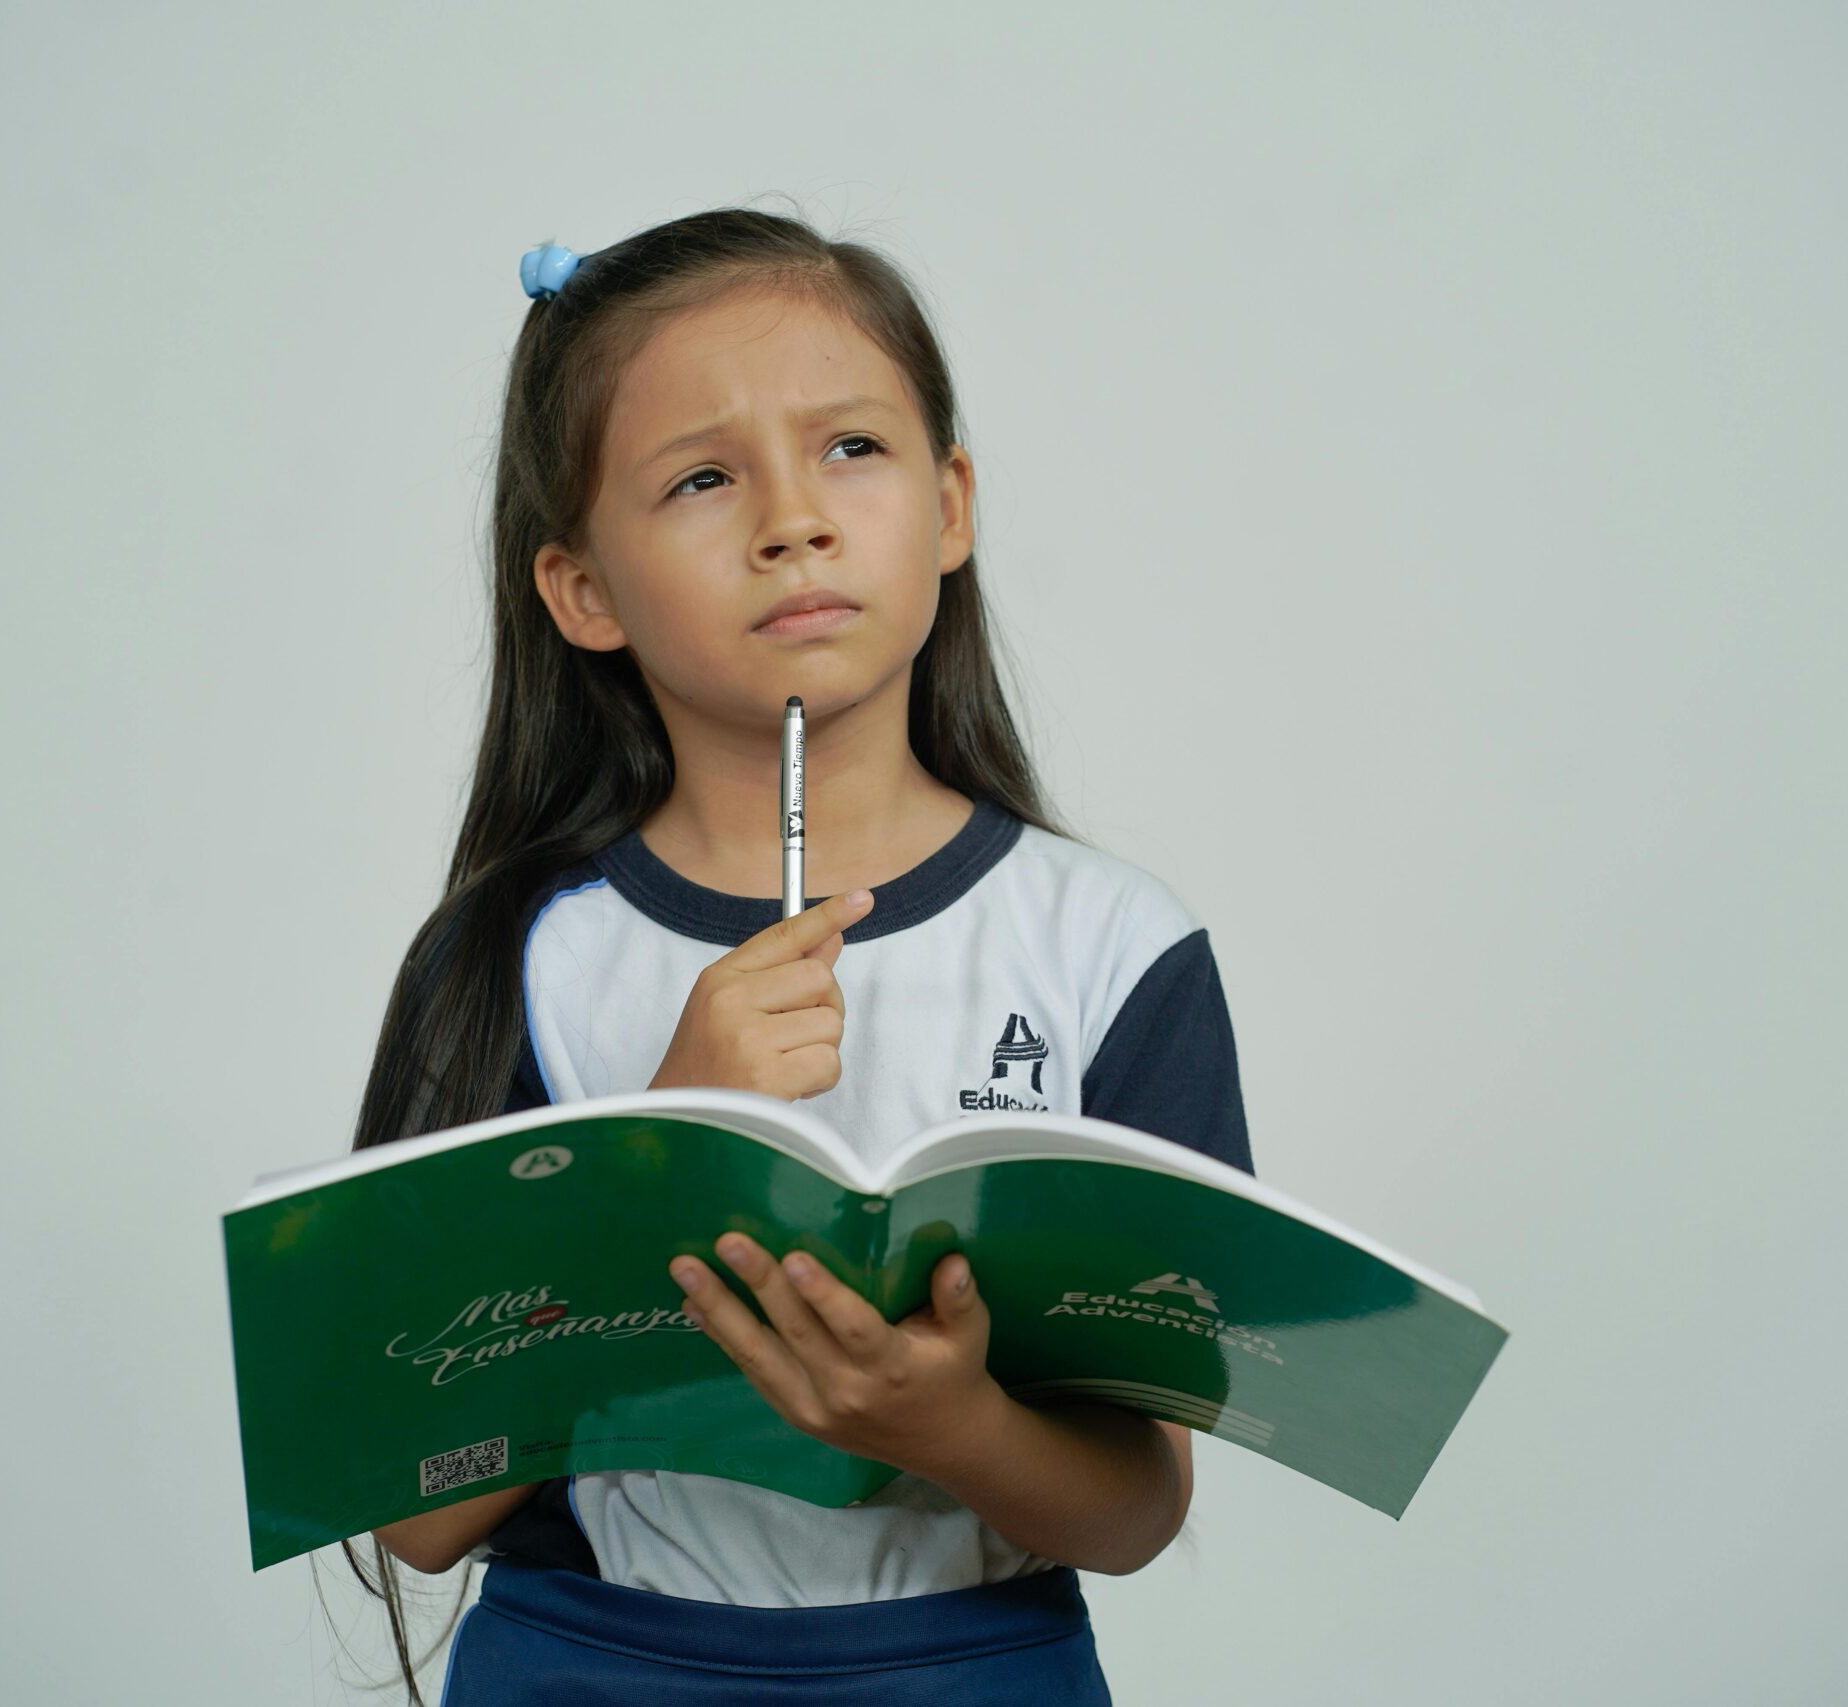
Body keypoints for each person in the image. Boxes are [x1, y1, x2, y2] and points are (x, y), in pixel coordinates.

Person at [340, 205, 1253, 1705]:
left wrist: (956, 1428)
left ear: (951, 506)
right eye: (703, 477)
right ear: (581, 589)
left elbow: (1139, 1507)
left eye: (852, 450)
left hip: (975, 1672)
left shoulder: (1114, 950)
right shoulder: (508, 956)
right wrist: (659, 1146)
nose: (793, 521)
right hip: (589, 1671)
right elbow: (414, 1513)